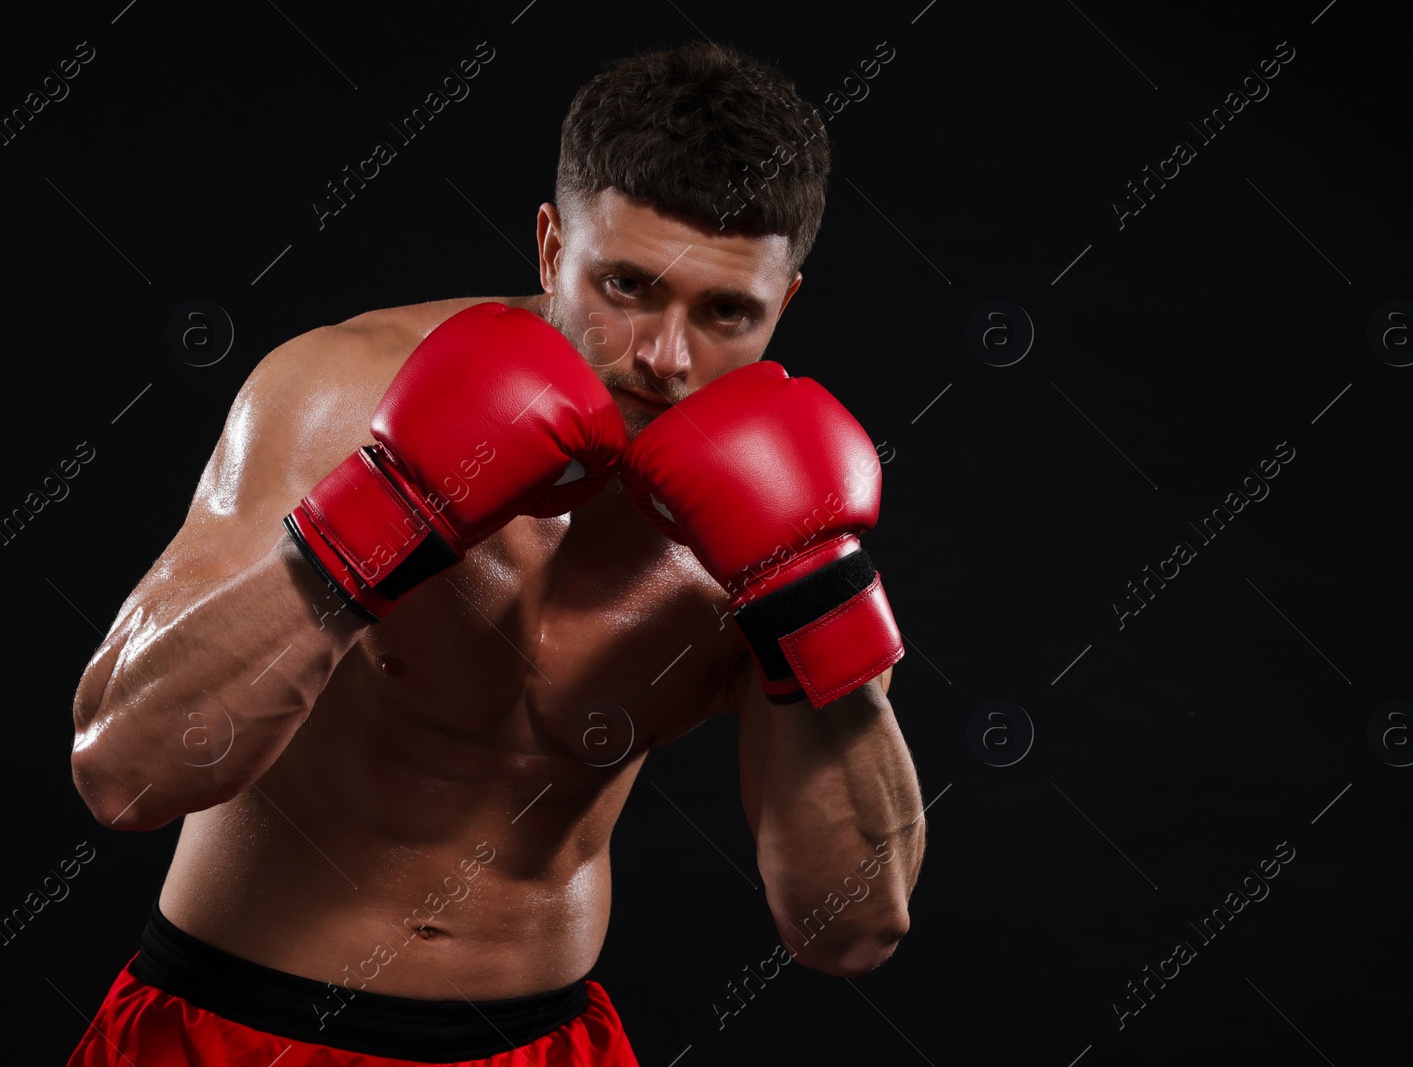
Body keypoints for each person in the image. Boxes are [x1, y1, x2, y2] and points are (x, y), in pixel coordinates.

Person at [65, 39, 924, 1066]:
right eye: (626, 286)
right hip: (237, 1026)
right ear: (554, 247)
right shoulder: (339, 395)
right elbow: (122, 774)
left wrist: (812, 600)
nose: (663, 354)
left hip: (536, 1045)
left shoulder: (781, 511)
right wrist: (377, 516)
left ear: (783, 303)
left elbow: (851, 925)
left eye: (725, 311)